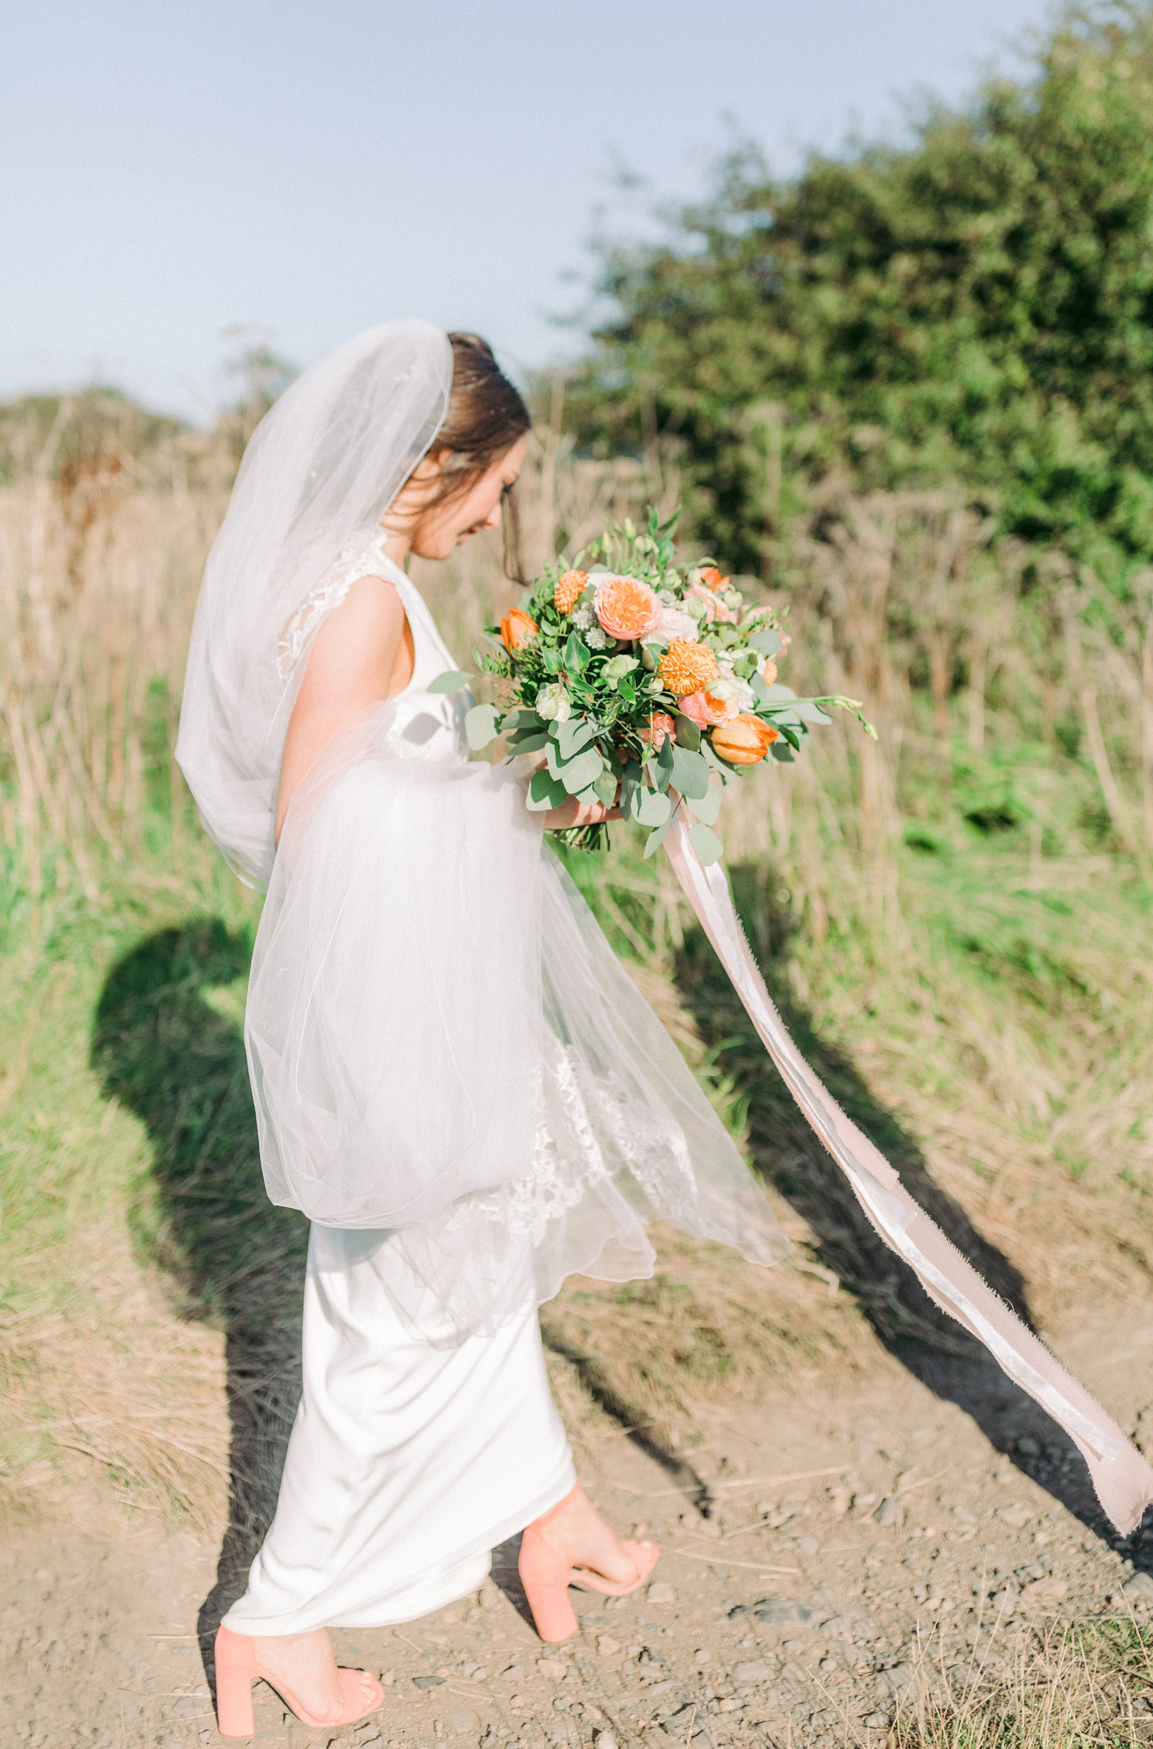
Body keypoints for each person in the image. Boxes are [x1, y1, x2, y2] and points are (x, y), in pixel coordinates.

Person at [176, 321, 788, 1737]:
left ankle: (546, 1512)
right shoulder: (361, 603)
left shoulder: (362, 580)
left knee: (481, 1250)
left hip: (420, 990)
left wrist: (541, 782)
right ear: (432, 466)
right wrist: (514, 790)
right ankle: (279, 1612)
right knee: (383, 1316)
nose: (501, 515)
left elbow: (393, 784)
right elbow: (316, 827)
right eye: (496, 487)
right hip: (386, 1011)